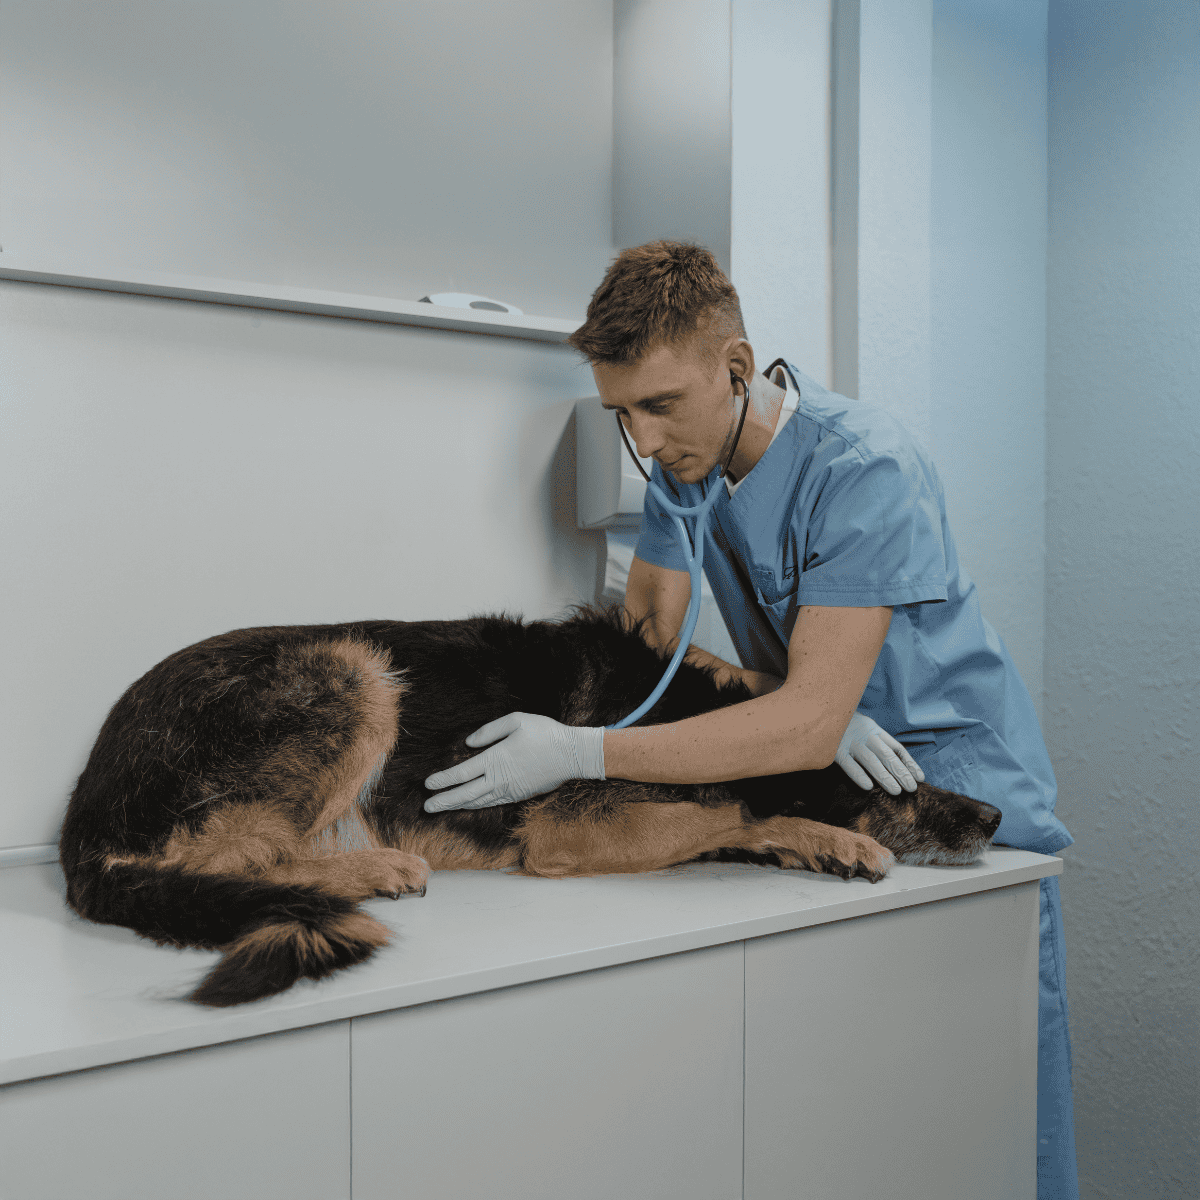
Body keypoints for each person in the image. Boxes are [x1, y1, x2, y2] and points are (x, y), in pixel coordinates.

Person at [423, 240, 1079, 1199]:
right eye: (621, 415)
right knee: (873, 1123)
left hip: (959, 796)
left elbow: (808, 725)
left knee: (987, 1128)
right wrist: (777, 699)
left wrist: (582, 749)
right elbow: (645, 641)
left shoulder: (866, 472)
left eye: (659, 406)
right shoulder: (687, 472)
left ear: (735, 369)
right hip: (829, 783)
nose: (643, 442)